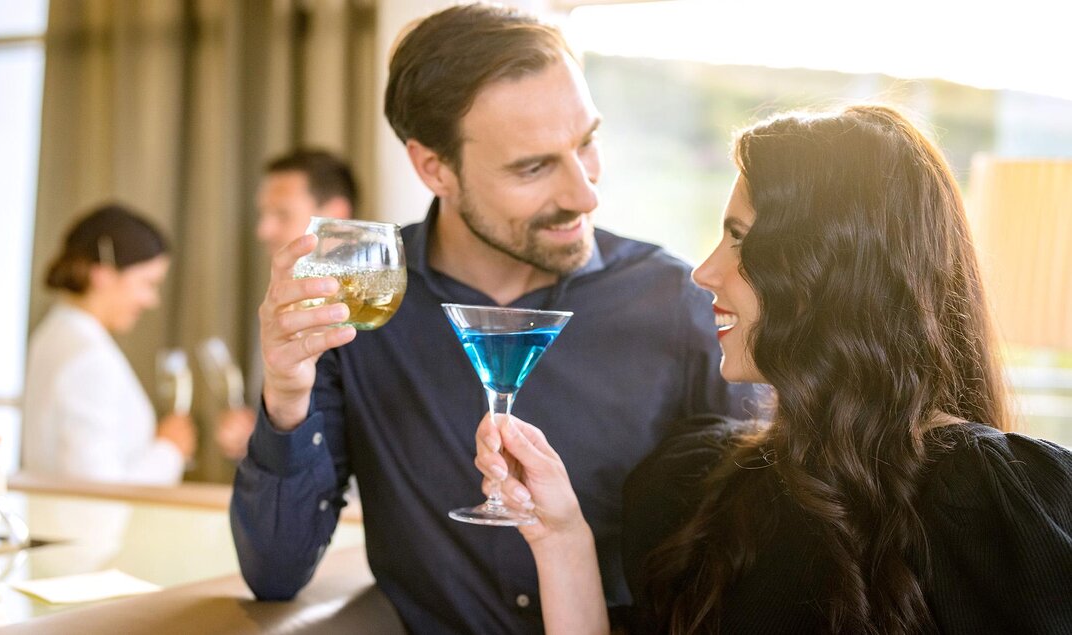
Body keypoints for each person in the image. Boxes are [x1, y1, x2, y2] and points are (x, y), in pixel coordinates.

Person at [229, 4, 752, 633]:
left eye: (586, 141)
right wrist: (286, 397)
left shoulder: (678, 304)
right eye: (532, 167)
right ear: (434, 168)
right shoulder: (364, 306)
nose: (584, 193)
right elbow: (275, 574)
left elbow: (756, 557)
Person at [474, 104, 1072, 634]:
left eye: (740, 240)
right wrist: (560, 538)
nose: (704, 272)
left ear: (831, 272)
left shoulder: (992, 499)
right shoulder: (697, 486)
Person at [22, 203, 197, 485]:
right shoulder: (89, 358)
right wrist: (170, 450)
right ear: (102, 274)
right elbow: (98, 493)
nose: (152, 300)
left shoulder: (52, 334)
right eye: (147, 283)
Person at [214, 148, 359, 461]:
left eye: (281, 214)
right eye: (263, 214)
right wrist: (261, 433)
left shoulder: (373, 313)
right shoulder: (282, 302)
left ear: (334, 215)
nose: (262, 230)